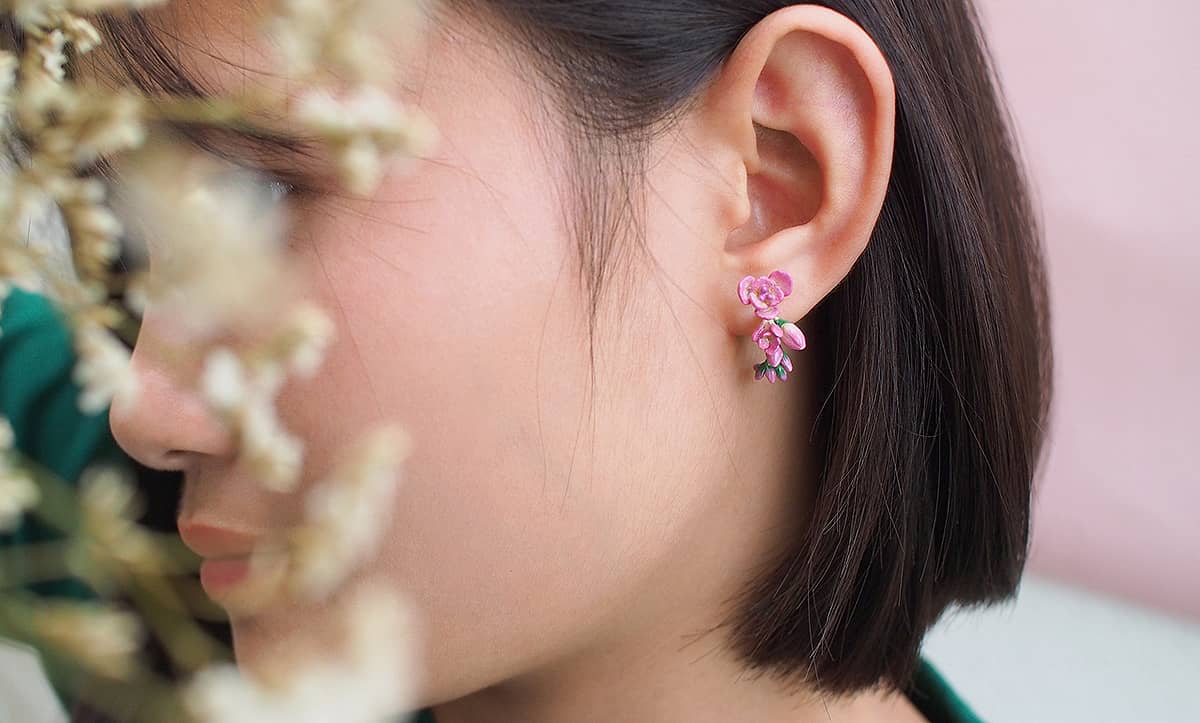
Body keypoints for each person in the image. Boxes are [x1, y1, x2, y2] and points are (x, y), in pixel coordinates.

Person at [21, 0, 1053, 720]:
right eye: (143, 233)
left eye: (258, 195)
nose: (144, 409)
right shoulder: (135, 572)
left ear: (773, 188)